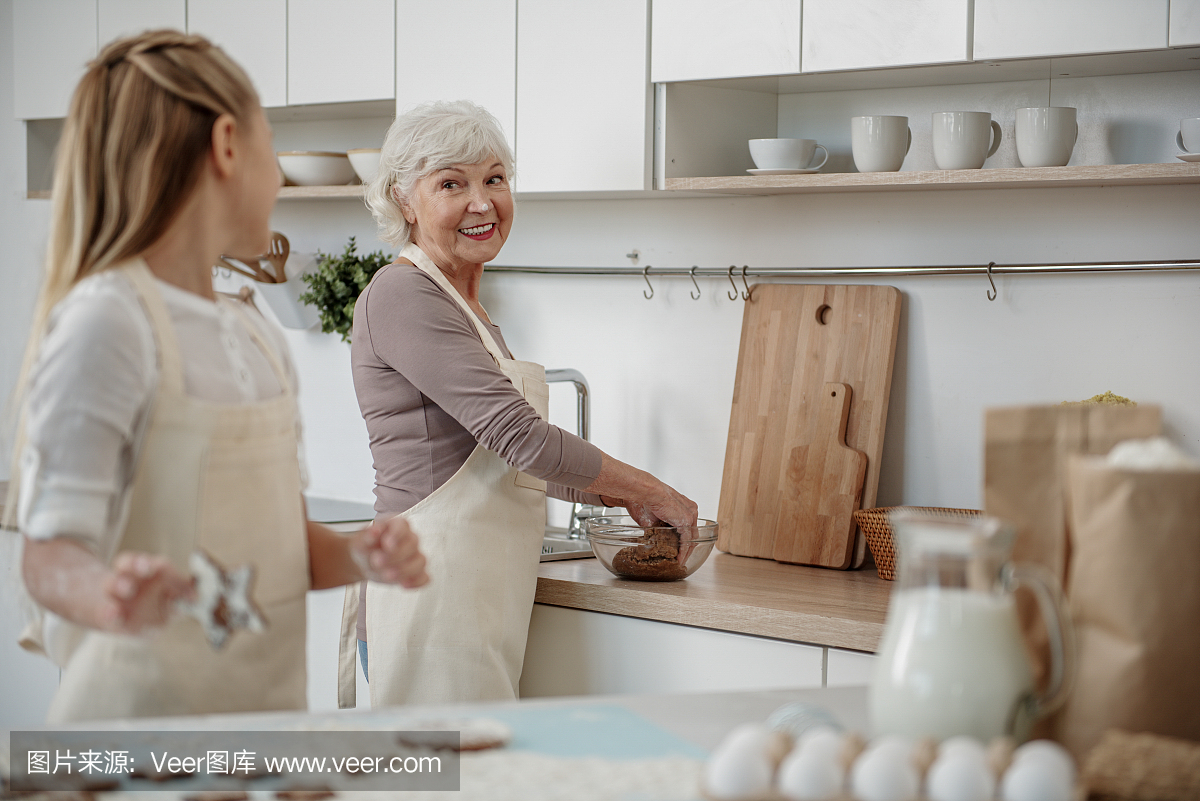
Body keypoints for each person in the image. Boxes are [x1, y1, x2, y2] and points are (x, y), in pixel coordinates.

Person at [9, 30, 429, 724]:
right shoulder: (109, 321)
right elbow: (48, 554)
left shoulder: (252, 325)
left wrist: (361, 556)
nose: (275, 177)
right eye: (271, 144)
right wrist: (108, 593)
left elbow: (283, 544)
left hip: (259, 738)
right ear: (228, 144)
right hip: (138, 746)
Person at [344, 100, 698, 707]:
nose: (482, 203)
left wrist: (609, 495)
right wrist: (648, 490)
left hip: (469, 595)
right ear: (406, 202)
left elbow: (508, 462)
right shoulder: (404, 294)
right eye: (451, 184)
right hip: (429, 595)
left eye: (494, 178)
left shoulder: (464, 305)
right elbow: (523, 439)